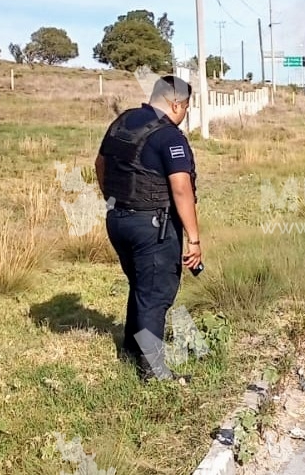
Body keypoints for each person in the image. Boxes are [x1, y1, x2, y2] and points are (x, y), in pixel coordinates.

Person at [94, 75, 202, 383]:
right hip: (152, 226)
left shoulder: (123, 121)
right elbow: (181, 188)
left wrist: (112, 200)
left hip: (117, 220)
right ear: (175, 104)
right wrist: (193, 239)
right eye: (186, 108)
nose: (184, 114)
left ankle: (132, 346)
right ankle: (153, 372)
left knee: (141, 284)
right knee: (155, 293)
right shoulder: (169, 136)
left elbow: (100, 165)